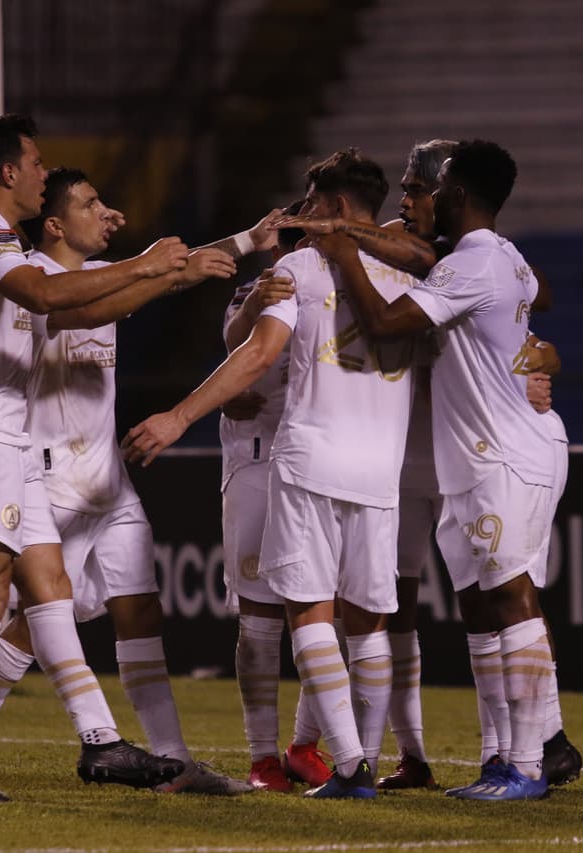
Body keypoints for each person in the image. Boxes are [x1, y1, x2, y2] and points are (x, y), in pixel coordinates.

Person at [0, 166, 272, 795]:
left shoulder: (93, 277)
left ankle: (173, 761)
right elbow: (107, 297)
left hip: (108, 478)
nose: (106, 211)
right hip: (52, 479)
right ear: (55, 224)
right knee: (34, 623)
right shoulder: (31, 284)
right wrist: (155, 272)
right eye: (90, 203)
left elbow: (150, 275)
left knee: (140, 609)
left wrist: (248, 241)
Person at [280, 139, 582, 790]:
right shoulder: (487, 257)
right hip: (475, 454)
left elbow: (389, 322)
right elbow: (530, 306)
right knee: (482, 603)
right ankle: (508, 755)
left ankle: (533, 755)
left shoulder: (469, 263)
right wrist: (526, 356)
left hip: (500, 449)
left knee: (509, 594)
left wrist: (340, 252)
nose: (422, 199)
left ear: (458, 196)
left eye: (433, 188)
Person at [0, 114, 196, 802]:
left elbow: (72, 312)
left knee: (51, 590)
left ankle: (99, 742)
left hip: (7, 440)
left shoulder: (2, 241)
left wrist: (157, 273)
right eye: (37, 162)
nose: (45, 172)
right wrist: (145, 263)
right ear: (8, 172)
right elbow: (45, 294)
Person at [122, 148, 420, 800]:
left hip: (308, 456)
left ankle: (334, 758)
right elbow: (240, 339)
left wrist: (178, 416)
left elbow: (256, 355)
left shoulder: (306, 269)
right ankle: (296, 755)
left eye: (308, 207)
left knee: (311, 613)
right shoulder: (401, 274)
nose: (297, 218)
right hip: (336, 466)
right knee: (336, 619)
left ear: (335, 209)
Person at [218, 203, 336, 792]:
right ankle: (263, 755)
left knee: (327, 613)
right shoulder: (253, 294)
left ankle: (303, 746)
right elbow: (237, 343)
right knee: (261, 621)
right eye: (288, 245)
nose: (291, 258)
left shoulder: (341, 291)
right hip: (259, 463)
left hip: (321, 464)